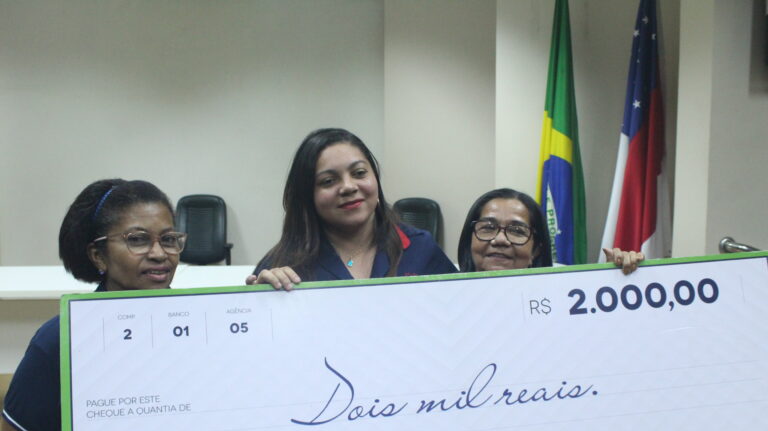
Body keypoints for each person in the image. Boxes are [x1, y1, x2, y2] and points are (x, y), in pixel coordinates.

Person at [0, 179, 185, 431]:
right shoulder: (61, 341)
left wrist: (270, 304)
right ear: (99, 256)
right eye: (138, 239)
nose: (159, 254)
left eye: (169, 239)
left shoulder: (210, 327)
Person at [246, 128, 456, 289]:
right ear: (307, 196)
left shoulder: (420, 248)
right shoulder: (282, 264)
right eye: (328, 181)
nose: (348, 187)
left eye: (359, 173)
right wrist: (260, 301)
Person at [458, 188, 644, 273]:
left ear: (536, 250)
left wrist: (615, 278)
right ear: (469, 239)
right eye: (488, 228)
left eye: (517, 231)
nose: (500, 239)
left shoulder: (564, 295)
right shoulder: (442, 291)